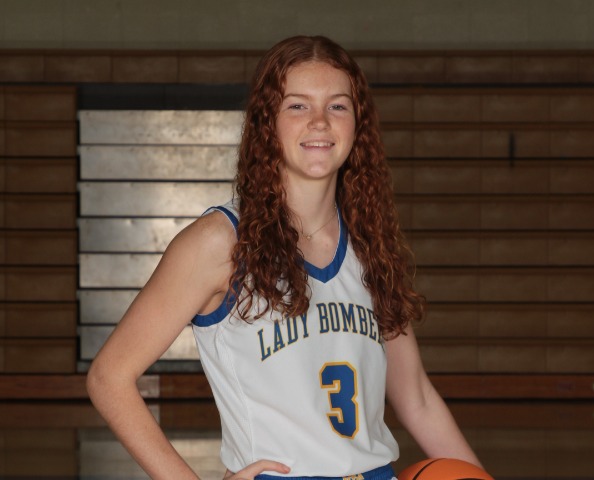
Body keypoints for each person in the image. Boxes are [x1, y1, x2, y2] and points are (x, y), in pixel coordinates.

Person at [87, 35, 482, 480]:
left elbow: (417, 398)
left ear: (358, 123)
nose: (320, 122)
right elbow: (109, 378)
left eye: (337, 106)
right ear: (267, 122)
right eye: (297, 105)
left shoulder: (369, 244)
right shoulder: (220, 243)